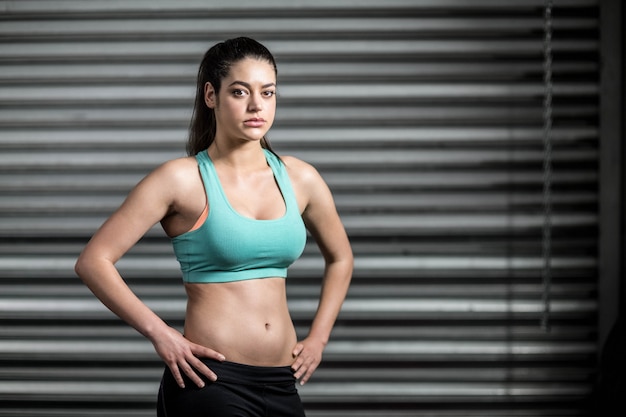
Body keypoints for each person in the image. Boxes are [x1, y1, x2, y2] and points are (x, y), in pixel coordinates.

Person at [74, 37, 353, 416]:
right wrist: (162, 334)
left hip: (281, 383)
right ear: (211, 95)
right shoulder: (181, 179)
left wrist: (319, 337)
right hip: (210, 382)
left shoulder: (300, 177)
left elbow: (340, 257)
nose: (257, 105)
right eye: (240, 92)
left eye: (267, 93)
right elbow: (94, 261)